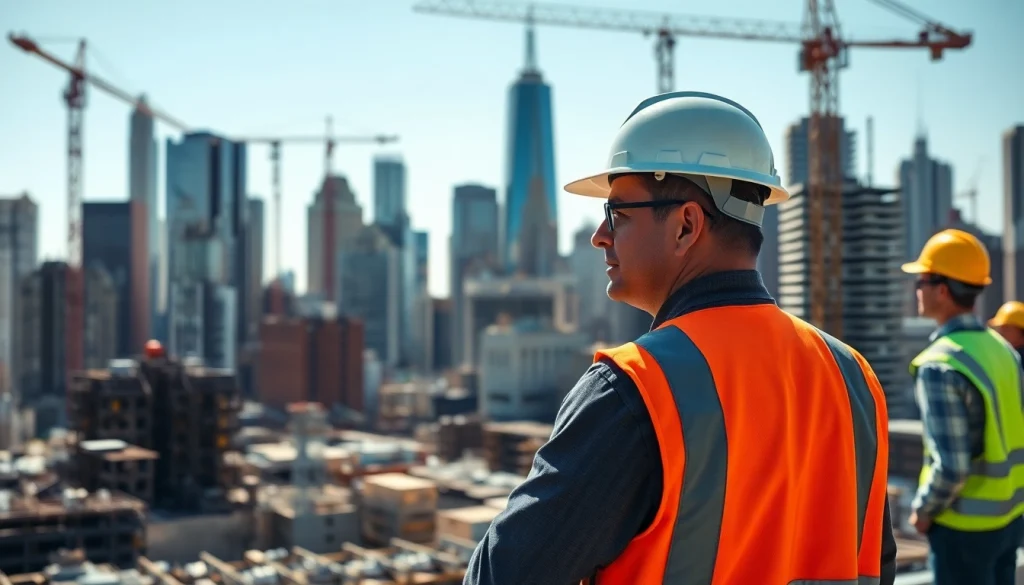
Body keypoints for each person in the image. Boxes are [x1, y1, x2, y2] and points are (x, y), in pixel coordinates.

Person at [463, 91, 897, 585]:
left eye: (618, 214)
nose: (599, 236)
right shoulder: (853, 378)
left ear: (686, 225)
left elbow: (505, 576)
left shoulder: (635, 389)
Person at [901, 229, 1024, 585]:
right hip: (1010, 519)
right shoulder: (1004, 349)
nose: (917, 290)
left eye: (922, 281)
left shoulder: (940, 364)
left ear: (942, 290)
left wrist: (922, 512)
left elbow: (951, 468)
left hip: (964, 529)